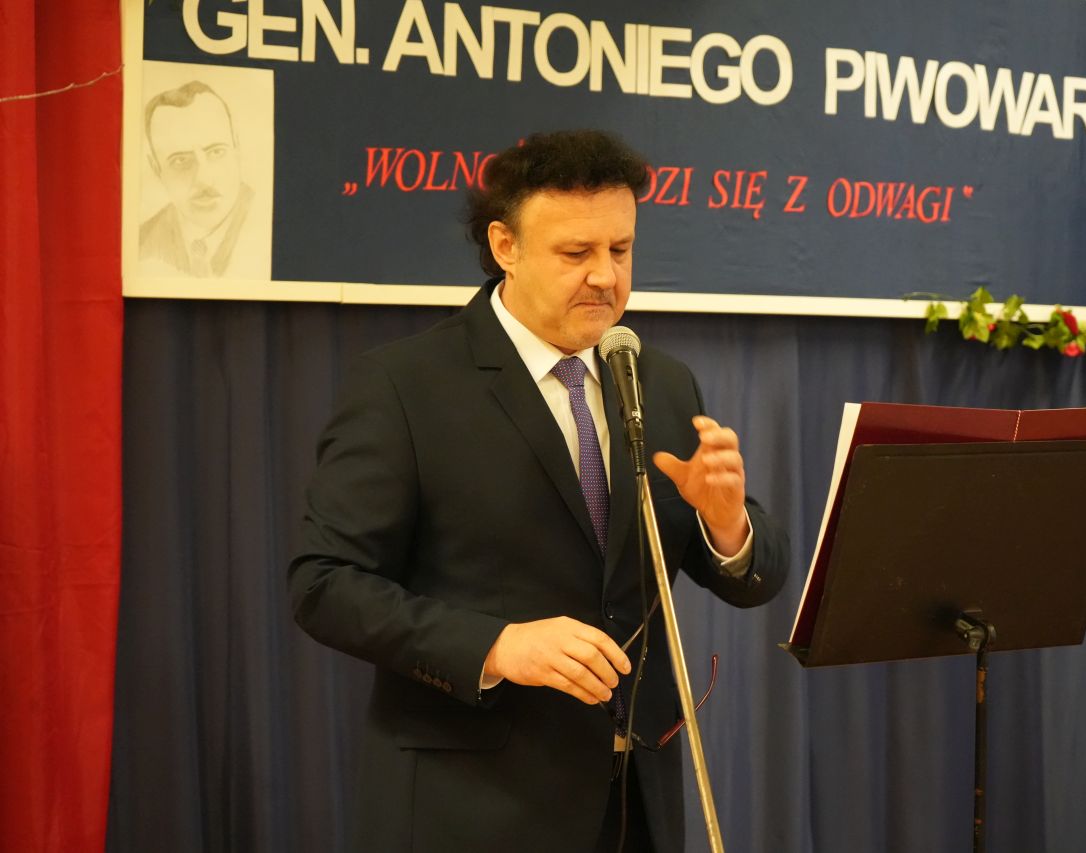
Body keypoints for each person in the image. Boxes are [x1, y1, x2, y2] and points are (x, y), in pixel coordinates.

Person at [288, 130, 789, 853]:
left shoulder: (658, 381)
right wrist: (498, 645)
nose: (605, 277)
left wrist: (728, 523)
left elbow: (754, 576)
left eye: (620, 250)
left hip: (637, 802)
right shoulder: (404, 385)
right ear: (506, 246)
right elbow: (324, 585)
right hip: (474, 807)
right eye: (576, 253)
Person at [139, 80, 262, 279]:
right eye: (180, 161)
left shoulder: (274, 224)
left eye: (216, 152)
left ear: (237, 148)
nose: (204, 179)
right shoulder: (140, 245)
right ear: (156, 169)